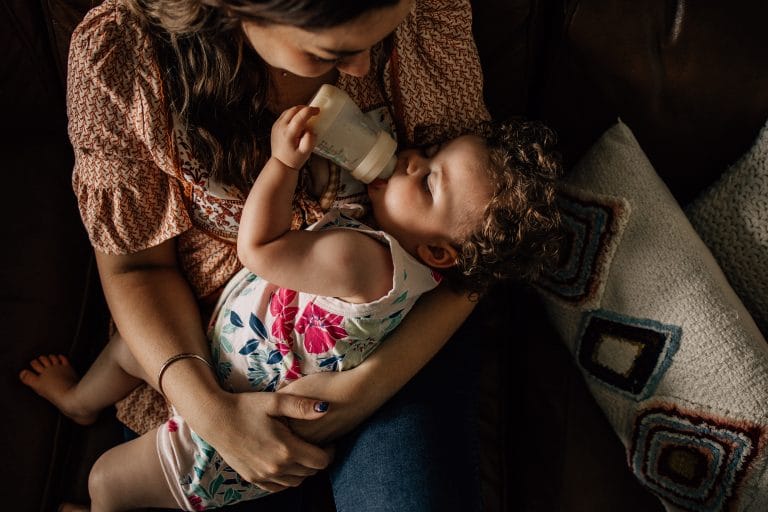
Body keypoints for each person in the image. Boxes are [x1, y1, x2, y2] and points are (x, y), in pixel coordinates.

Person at [24, 0, 501, 510]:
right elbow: (136, 267)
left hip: (400, 340)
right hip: (216, 356)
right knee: (117, 483)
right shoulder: (123, 57)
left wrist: (363, 390)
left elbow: (481, 244)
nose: (363, 67)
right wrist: (214, 414)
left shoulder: (422, 9)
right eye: (332, 51)